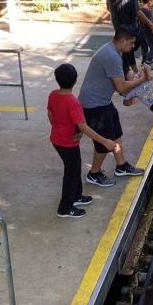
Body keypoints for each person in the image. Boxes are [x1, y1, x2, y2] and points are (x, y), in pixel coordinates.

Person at [79, 26, 151, 186]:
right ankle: (94, 173)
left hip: (103, 101)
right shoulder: (111, 56)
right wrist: (143, 79)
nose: (133, 47)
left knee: (116, 134)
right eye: (131, 43)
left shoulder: (113, 51)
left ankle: (121, 166)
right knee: (104, 143)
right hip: (94, 105)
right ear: (123, 40)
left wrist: (135, 81)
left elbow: (121, 83)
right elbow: (121, 87)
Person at [48, 64, 119, 218]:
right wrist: (104, 141)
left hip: (58, 139)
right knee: (71, 173)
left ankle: (76, 196)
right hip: (67, 143)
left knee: (75, 167)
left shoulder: (53, 95)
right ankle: (65, 207)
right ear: (75, 81)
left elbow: (50, 115)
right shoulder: (73, 102)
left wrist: (58, 128)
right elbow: (84, 126)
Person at [136, 0, 153, 68]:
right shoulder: (148, 12)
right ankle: (147, 62)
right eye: (152, 1)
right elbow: (150, 23)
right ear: (149, 2)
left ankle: (144, 60)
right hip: (148, 33)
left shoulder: (139, 11)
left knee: (144, 47)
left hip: (141, 32)